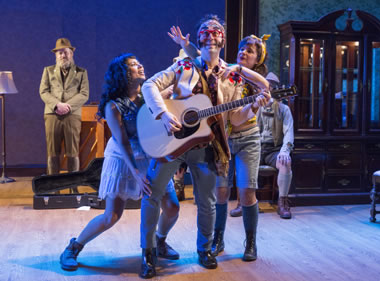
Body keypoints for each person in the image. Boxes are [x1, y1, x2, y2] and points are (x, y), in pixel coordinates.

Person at [140, 14, 269, 278]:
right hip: (172, 142)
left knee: (208, 201)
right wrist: (163, 114)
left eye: (216, 32)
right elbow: (150, 84)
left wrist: (253, 105)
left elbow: (233, 117)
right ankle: (148, 251)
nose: (211, 36)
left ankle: (205, 249)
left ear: (223, 40)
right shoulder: (184, 66)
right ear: (199, 39)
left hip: (208, 146)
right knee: (152, 195)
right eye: (205, 33)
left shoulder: (232, 77)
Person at [59, 53, 180, 271]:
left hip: (150, 154)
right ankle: (74, 247)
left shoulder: (148, 94)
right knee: (112, 216)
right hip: (124, 158)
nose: (140, 65)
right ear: (123, 75)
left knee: (172, 206)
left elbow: (169, 91)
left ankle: (159, 241)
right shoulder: (113, 106)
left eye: (139, 62)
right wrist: (136, 173)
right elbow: (122, 142)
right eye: (134, 65)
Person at [169, 28, 271, 261]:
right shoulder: (224, 70)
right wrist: (185, 45)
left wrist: (252, 101)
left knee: (246, 193)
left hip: (247, 139)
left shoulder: (246, 76)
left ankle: (251, 242)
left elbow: (265, 87)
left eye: (250, 51)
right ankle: (217, 239)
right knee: (221, 192)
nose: (244, 52)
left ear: (258, 58)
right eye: (242, 48)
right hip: (221, 139)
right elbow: (204, 58)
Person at [39, 38, 89, 188]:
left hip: (72, 115)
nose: (62, 55)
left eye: (65, 52)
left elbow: (84, 93)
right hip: (52, 114)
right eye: (60, 53)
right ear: (56, 55)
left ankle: (73, 188)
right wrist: (56, 105)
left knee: (72, 152)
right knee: (52, 152)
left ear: (71, 53)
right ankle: (53, 188)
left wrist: (67, 106)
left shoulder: (81, 72)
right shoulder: (47, 71)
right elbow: (43, 91)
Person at [256, 72, 294, 219]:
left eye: (269, 87)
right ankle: (246, 202)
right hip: (257, 148)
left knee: (286, 163)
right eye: (263, 86)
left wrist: (285, 151)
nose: (265, 89)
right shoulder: (255, 106)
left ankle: (282, 202)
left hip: (274, 150)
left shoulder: (284, 109)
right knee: (244, 163)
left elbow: (289, 132)